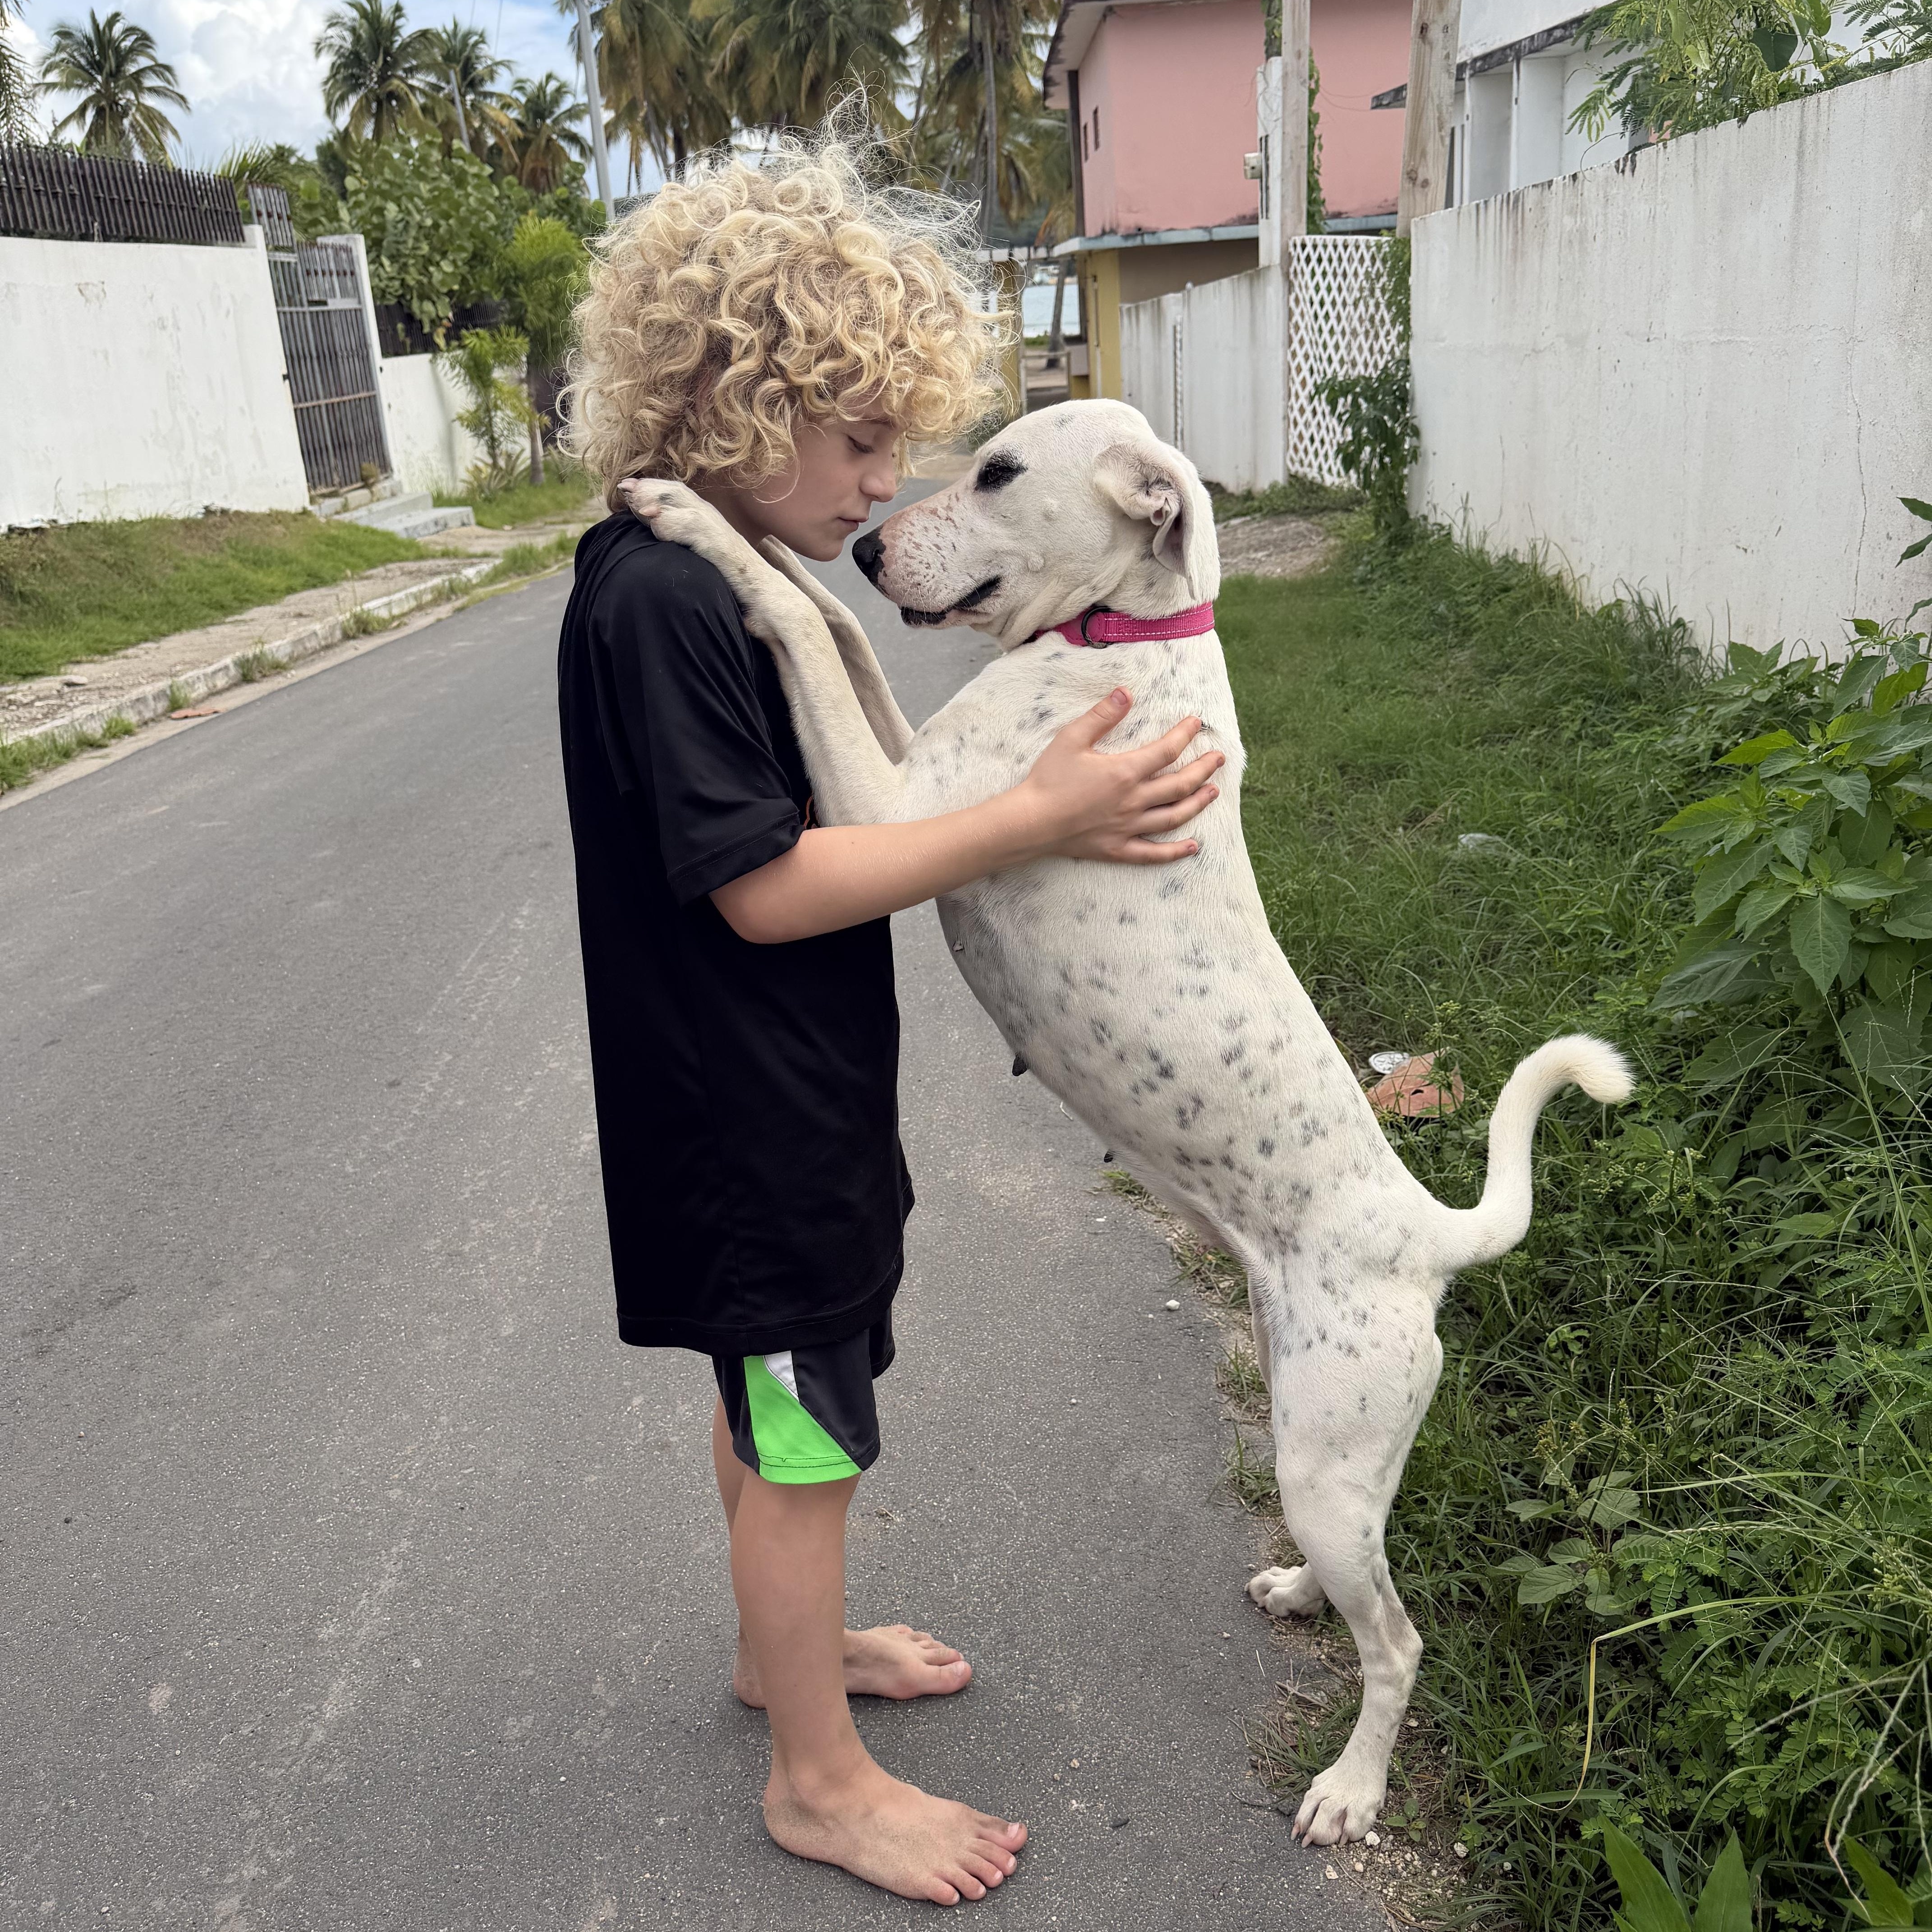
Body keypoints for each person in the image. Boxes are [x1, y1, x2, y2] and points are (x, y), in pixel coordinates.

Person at [555, 133, 1222, 1907]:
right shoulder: (671, 602)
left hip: (776, 1099)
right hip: (748, 1120)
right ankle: (818, 1778)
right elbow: (768, 884)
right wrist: (1035, 820)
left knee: (774, 1405)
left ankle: (786, 1655)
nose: (878, 480)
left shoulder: (705, 576)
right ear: (733, 401)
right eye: (855, 438)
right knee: (808, 1436)